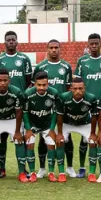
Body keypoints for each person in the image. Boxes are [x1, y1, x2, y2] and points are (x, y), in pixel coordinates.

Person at [74, 33, 101, 178]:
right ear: (88, 44)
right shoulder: (82, 61)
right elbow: (78, 82)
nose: (93, 46)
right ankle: (81, 168)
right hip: (87, 105)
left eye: (96, 43)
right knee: (85, 136)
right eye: (91, 43)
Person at [0, 31, 32, 179]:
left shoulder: (24, 59)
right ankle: (2, 169)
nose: (11, 42)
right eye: (8, 40)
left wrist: (21, 97)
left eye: (13, 40)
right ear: (4, 42)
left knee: (20, 137)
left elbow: (29, 81)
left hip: (18, 105)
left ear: (17, 42)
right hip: (2, 105)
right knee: (1, 137)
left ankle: (24, 168)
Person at [32, 39, 74, 177]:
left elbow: (68, 87)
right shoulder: (40, 67)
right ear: (47, 48)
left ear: (60, 49)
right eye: (51, 47)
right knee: (43, 138)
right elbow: (35, 86)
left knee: (66, 137)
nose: (54, 50)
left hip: (62, 108)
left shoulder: (66, 66)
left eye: (56, 47)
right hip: (44, 109)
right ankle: (43, 168)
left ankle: (69, 167)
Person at [58, 77, 100, 183]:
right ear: (70, 89)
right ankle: (62, 173)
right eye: (75, 88)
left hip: (84, 123)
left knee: (92, 142)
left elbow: (95, 116)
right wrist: (59, 133)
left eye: (80, 88)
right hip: (67, 123)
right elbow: (59, 116)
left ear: (84, 88)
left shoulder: (91, 98)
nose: (78, 91)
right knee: (60, 142)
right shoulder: (63, 97)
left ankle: (91, 173)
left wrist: (93, 133)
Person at [22, 72, 62, 183]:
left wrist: (52, 129)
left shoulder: (54, 93)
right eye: (39, 85)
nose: (41, 87)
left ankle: (51, 173)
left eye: (44, 85)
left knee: (51, 146)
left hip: (47, 124)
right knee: (30, 145)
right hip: (33, 124)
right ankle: (32, 173)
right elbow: (25, 112)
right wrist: (28, 129)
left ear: (47, 84)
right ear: (35, 84)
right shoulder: (28, 94)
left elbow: (55, 112)